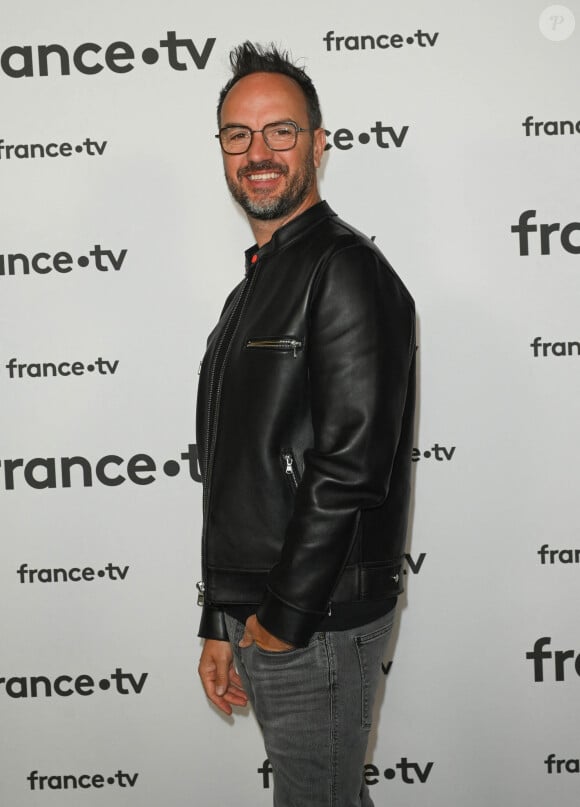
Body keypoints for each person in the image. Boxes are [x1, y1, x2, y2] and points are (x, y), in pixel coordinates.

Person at [196, 41, 416, 807]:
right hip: (268, 611)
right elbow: (239, 471)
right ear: (221, 148)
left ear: (318, 144)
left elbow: (351, 465)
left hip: (315, 616)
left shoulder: (346, 269)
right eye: (238, 134)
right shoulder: (255, 283)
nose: (258, 153)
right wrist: (221, 619)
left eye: (280, 131)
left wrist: (284, 619)